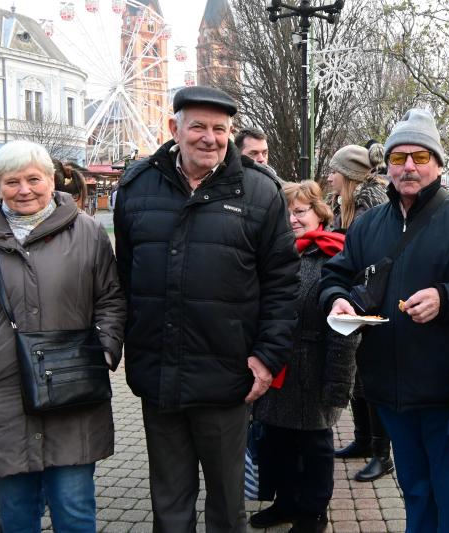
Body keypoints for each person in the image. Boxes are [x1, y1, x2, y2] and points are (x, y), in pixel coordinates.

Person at [114, 85, 300, 533]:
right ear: (174, 128)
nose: (209, 138)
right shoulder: (137, 188)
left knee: (226, 506)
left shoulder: (259, 192)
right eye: (197, 126)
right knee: (170, 505)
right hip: (159, 376)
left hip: (228, 376)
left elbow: (282, 284)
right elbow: (123, 278)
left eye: (220, 129)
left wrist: (267, 357)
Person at [319, 108, 449, 532]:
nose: (407, 167)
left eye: (420, 157)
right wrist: (338, 302)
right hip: (389, 389)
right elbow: (336, 275)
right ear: (386, 168)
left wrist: (447, 297)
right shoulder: (368, 225)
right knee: (416, 492)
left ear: (438, 164)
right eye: (398, 158)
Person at [0, 139, 126, 533]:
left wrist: (104, 351)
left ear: (51, 179)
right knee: (17, 513)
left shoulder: (87, 233)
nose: (24, 190)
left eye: (33, 179)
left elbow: (111, 299)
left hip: (72, 389)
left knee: (73, 509)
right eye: (12, 181)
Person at [250, 180, 358, 533]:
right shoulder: (276, 251)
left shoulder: (336, 254)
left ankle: (313, 512)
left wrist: (338, 382)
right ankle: (285, 503)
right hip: (276, 362)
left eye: (300, 211)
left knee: (314, 445)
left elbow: (345, 325)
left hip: (314, 365)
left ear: (319, 212)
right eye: (287, 213)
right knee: (277, 441)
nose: (293, 219)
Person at [325, 142, 394, 482]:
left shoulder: (372, 208)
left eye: (334, 171)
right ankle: (364, 440)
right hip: (354, 301)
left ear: (348, 176)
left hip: (374, 303)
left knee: (372, 380)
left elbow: (373, 258)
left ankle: (383, 453)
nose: (329, 177)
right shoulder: (344, 205)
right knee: (358, 378)